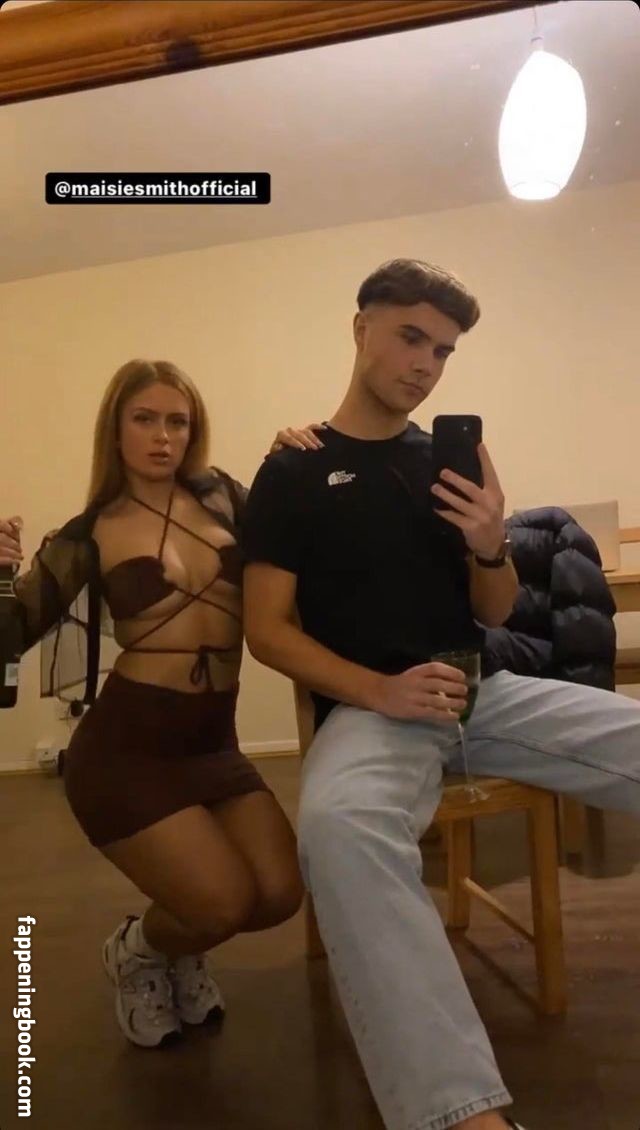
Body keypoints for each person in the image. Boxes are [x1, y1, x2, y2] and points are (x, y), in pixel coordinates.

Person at [241, 258, 640, 1130]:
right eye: (412, 337)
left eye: (445, 351)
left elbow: (493, 610)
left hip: (484, 691)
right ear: (362, 329)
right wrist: (377, 691)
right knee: (338, 828)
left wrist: (491, 543)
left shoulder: (447, 461)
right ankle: (459, 1114)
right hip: (372, 711)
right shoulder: (293, 471)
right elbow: (265, 630)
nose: (426, 364)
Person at [0, 358, 325, 1049]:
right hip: (126, 752)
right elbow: (10, 634)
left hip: (212, 741)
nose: (163, 436)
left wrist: (293, 466)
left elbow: (302, 538)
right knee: (220, 903)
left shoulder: (227, 499)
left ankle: (179, 943)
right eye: (144, 419)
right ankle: (140, 953)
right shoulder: (88, 533)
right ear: (115, 430)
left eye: (178, 421)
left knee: (278, 894)